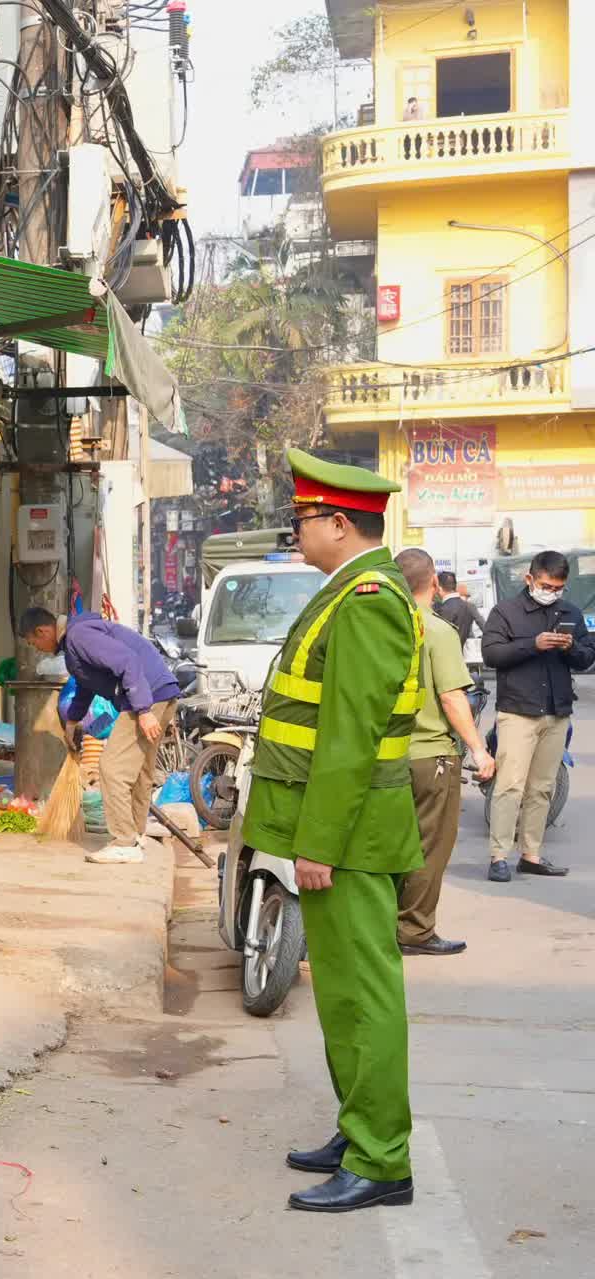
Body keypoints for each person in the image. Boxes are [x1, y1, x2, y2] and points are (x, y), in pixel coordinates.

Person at [244, 450, 421, 1214]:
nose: (298, 530)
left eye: (304, 518)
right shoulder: (348, 590)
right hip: (341, 833)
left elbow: (350, 739)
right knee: (343, 998)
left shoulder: (369, 599)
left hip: (351, 838)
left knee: (363, 997)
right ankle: (359, 1131)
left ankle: (382, 1159)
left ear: (340, 524)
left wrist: (318, 842)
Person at [18, 607, 181, 865]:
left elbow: (128, 662)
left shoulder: (79, 636)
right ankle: (136, 834)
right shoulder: (75, 643)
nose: (36, 648)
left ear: (43, 631)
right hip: (159, 692)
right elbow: (86, 684)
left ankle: (125, 843)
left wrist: (143, 710)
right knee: (139, 770)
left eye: (33, 642)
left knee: (112, 768)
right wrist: (72, 720)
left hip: (148, 695)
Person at [394, 549, 495, 956]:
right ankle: (414, 930)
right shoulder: (435, 631)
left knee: (390, 846)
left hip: (385, 756)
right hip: (430, 757)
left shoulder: (382, 627)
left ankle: (381, 923)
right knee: (429, 847)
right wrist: (479, 750)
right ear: (434, 582)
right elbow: (452, 698)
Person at [480, 549, 593, 881]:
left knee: (542, 788)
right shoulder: (506, 612)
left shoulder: (570, 612)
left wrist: (571, 647)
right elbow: (491, 654)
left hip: (557, 713)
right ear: (529, 578)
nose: (552, 592)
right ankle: (499, 856)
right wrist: (534, 644)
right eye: (546, 586)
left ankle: (531, 855)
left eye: (558, 588)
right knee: (509, 787)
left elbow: (587, 657)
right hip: (518, 712)